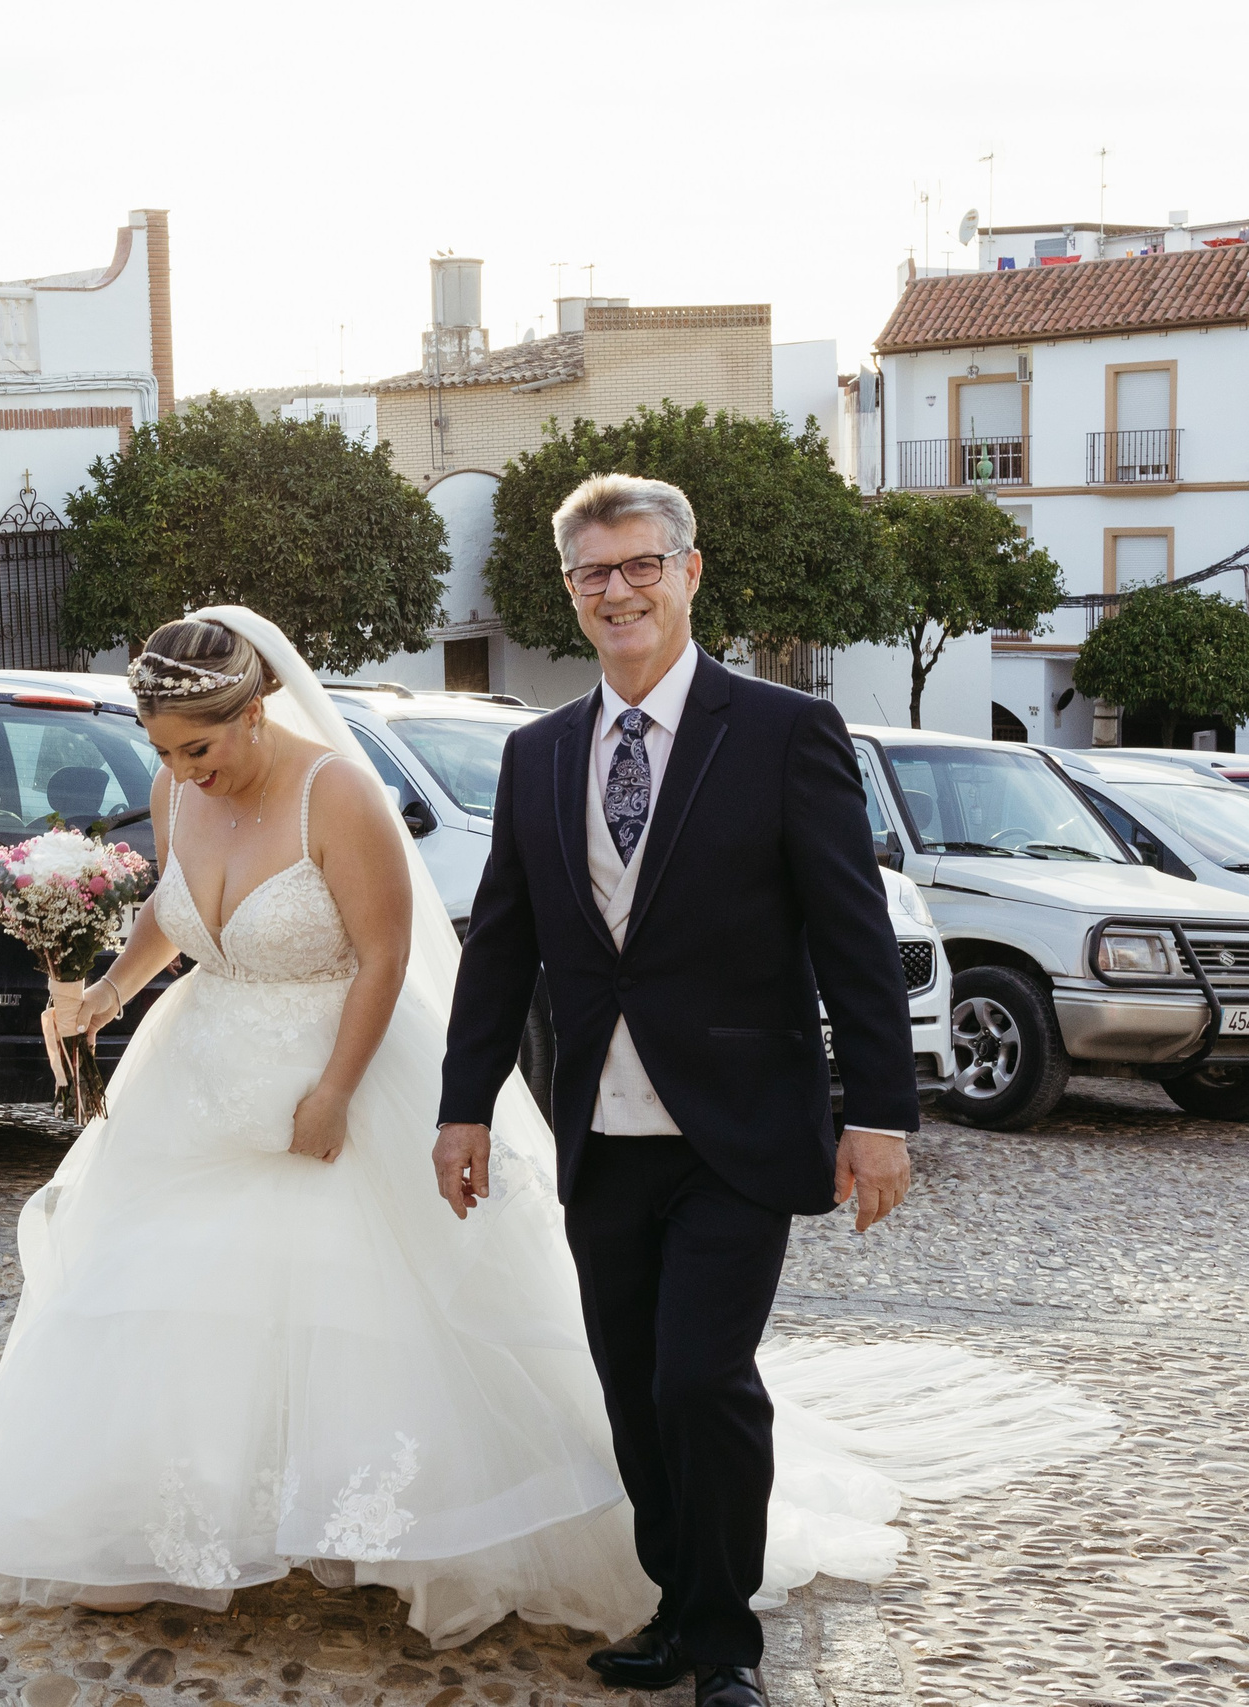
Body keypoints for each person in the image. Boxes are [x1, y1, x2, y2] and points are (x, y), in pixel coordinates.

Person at [0, 601, 1114, 1665]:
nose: (180, 769)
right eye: (163, 750)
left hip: (371, 1071)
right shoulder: (183, 788)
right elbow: (179, 912)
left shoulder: (336, 791)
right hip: (199, 1082)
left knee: (455, 1325)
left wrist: (343, 1088)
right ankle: (208, 1522)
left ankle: (670, 1603)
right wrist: (97, 994)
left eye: (198, 745)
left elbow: (393, 954)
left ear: (256, 710)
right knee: (179, 1299)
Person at [434, 474, 915, 1707]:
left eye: (640, 565)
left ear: (690, 572)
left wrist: (878, 1115)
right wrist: (465, 1103)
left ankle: (728, 1648)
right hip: (599, 1130)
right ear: (569, 593)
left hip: (739, 1129)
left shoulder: (782, 732)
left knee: (703, 1380)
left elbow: (850, 934)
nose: (618, 592)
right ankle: (674, 1603)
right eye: (593, 573)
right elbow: (501, 943)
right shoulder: (536, 753)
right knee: (634, 1391)